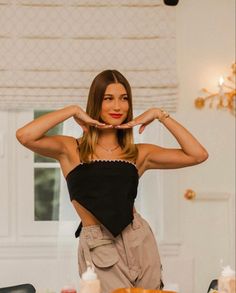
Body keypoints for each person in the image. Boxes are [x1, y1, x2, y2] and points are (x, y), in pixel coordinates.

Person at [16, 69, 208, 292]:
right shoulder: (71, 149)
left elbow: (198, 154)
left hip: (138, 238)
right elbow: (25, 135)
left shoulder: (138, 153)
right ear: (96, 102)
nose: (118, 107)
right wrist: (72, 111)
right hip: (98, 244)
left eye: (124, 98)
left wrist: (159, 114)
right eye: (108, 98)